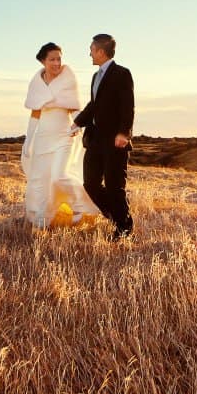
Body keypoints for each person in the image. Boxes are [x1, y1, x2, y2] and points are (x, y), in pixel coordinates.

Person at [21, 42, 101, 229]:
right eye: (52, 59)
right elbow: (35, 113)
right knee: (41, 179)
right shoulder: (36, 82)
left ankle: (81, 207)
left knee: (59, 176)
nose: (57, 63)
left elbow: (73, 107)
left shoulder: (67, 78)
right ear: (43, 61)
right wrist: (28, 140)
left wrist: (78, 126)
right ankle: (42, 217)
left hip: (64, 136)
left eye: (59, 58)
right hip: (43, 138)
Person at [70, 33, 135, 240]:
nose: (89, 53)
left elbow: (128, 106)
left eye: (91, 49)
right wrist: (77, 123)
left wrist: (124, 133)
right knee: (90, 183)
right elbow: (94, 106)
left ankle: (123, 229)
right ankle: (120, 218)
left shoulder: (122, 73)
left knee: (115, 187)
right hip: (96, 139)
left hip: (115, 141)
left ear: (100, 50)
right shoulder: (95, 77)